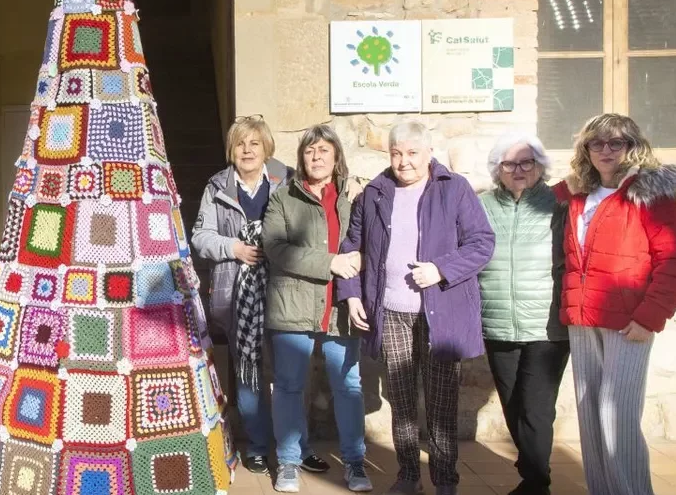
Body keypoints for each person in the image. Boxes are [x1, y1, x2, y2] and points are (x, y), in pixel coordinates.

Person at [336, 120, 494, 495]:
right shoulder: (374, 193)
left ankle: (444, 480)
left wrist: (440, 269)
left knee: (441, 402)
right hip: (391, 311)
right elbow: (352, 248)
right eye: (396, 153)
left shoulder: (453, 188)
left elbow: (482, 243)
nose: (403, 161)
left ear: (428, 153)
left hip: (441, 314)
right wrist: (352, 295)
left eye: (412, 153)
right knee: (402, 400)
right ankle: (408, 475)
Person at [555, 114, 676, 495]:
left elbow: (675, 260)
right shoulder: (578, 192)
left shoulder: (650, 194)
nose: (606, 150)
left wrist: (650, 318)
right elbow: (531, 199)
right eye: (596, 143)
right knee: (591, 418)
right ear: (586, 149)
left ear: (633, 147)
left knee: (617, 418)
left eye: (616, 143)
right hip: (583, 319)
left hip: (629, 322)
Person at [192, 115, 331, 476]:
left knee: (290, 376)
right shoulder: (217, 186)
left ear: (266, 148)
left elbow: (307, 230)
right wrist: (234, 248)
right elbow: (200, 237)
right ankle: (256, 446)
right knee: (248, 374)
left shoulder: (288, 180)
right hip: (237, 296)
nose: (247, 150)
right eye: (240, 144)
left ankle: (299, 448)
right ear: (231, 150)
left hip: (285, 291)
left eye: (254, 143)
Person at [262, 124, 372, 493]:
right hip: (291, 307)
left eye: (324, 150)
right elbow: (275, 248)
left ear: (336, 156)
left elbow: (371, 240)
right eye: (310, 151)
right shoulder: (283, 199)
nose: (316, 157)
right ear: (301, 158)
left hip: (340, 306)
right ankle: (289, 462)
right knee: (289, 387)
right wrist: (331, 262)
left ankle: (355, 463)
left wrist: (356, 263)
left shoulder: (355, 197)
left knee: (349, 386)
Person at [478, 133, 569, 495]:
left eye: (526, 162)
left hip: (547, 325)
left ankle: (536, 483)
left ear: (540, 166)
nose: (518, 170)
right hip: (497, 319)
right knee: (513, 405)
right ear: (497, 169)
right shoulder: (482, 205)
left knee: (536, 409)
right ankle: (533, 471)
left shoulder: (558, 204)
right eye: (509, 163)